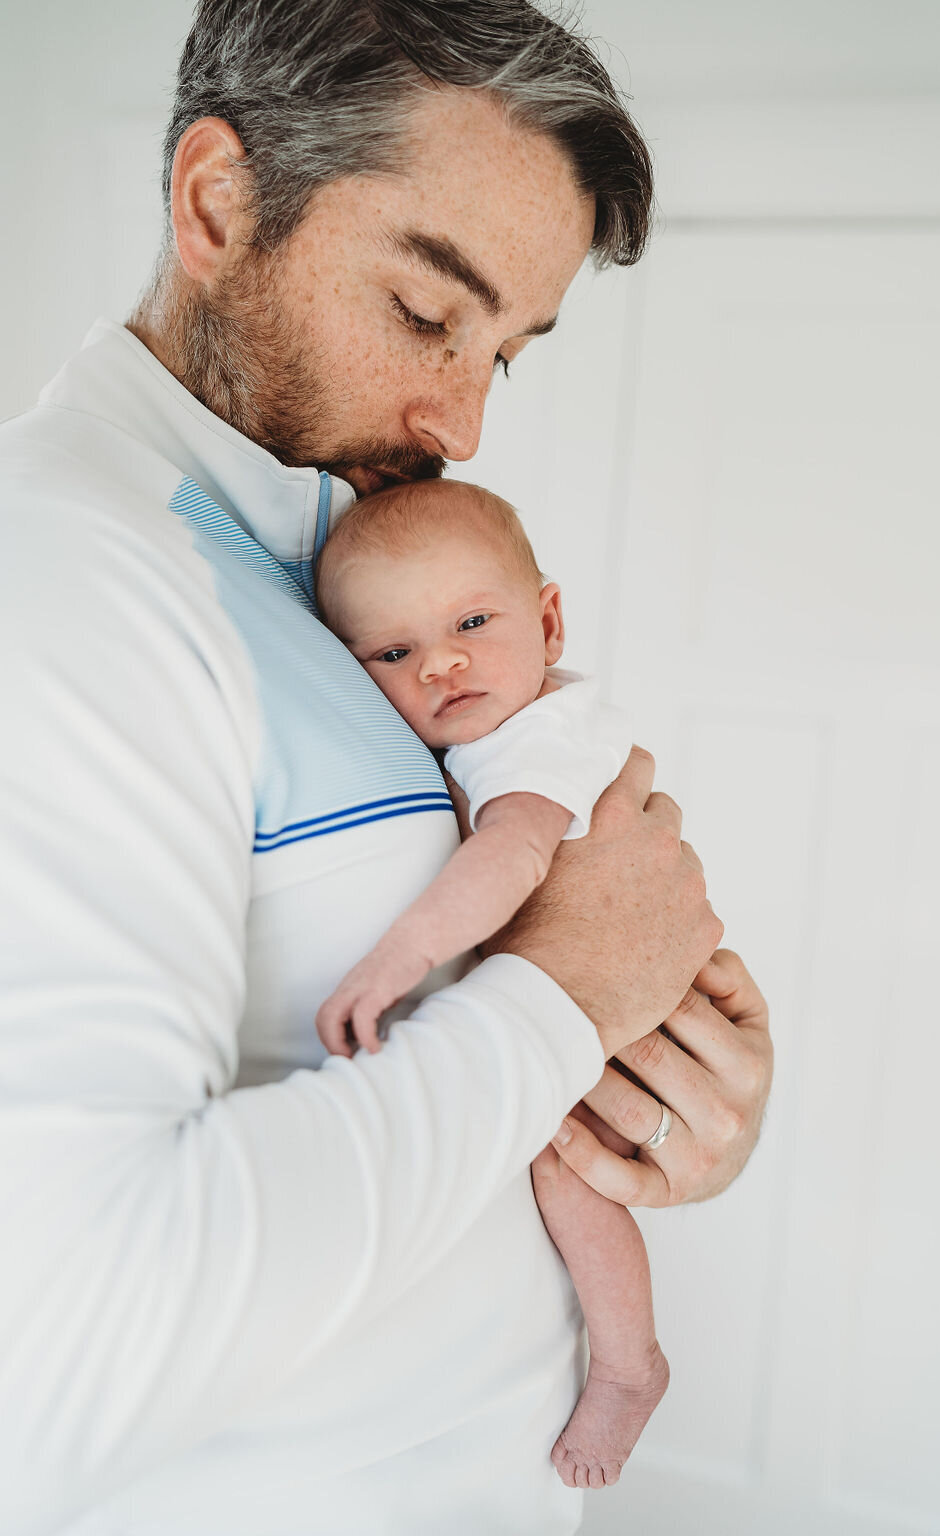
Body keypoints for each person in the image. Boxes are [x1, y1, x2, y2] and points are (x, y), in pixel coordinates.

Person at [0, 3, 772, 1532]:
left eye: (509, 355)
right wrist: (566, 997)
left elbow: (455, 1035)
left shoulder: (330, 555)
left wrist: (654, 1099)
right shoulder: (66, 575)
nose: (464, 421)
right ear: (219, 201)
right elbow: (56, 1357)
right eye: (429, 315)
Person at [314, 476, 667, 1490]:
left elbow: (511, 859)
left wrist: (396, 959)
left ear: (548, 620)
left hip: (613, 1001)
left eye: (472, 619)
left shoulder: (540, 735)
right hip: (573, 985)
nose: (442, 661)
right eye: (393, 652)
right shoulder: (491, 726)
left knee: (564, 1166)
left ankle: (631, 1365)